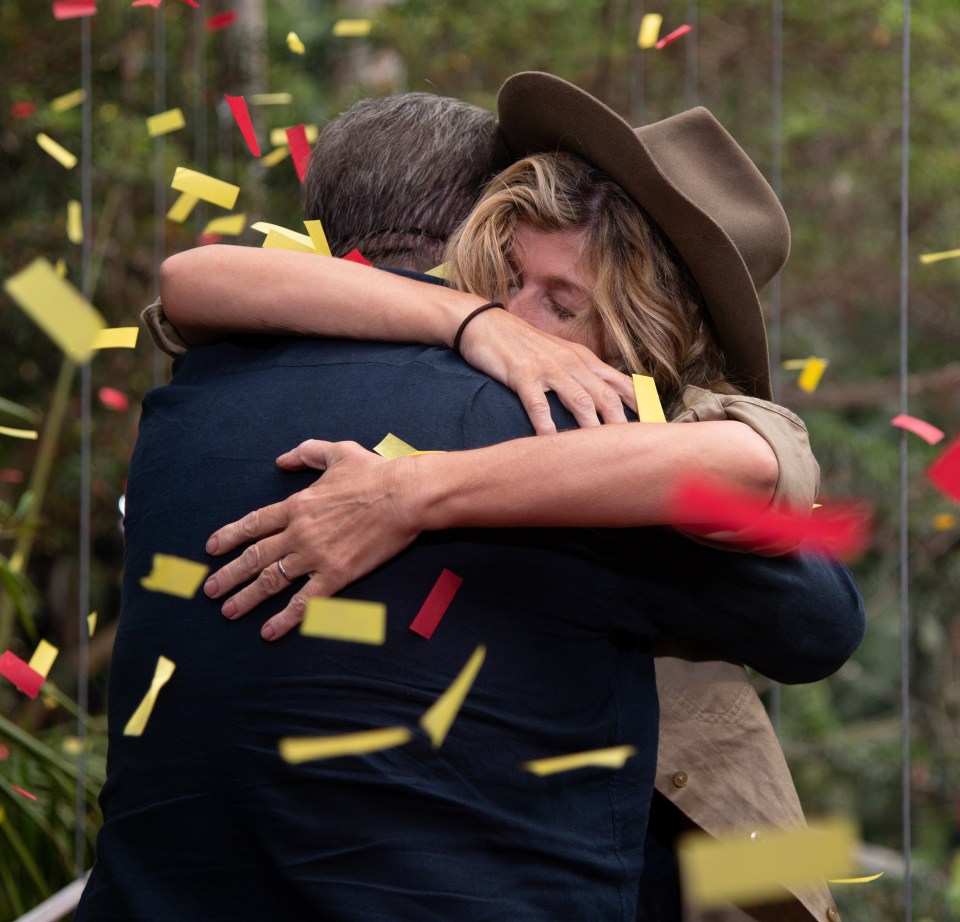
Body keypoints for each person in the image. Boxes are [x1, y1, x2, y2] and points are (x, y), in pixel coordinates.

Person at [106, 81, 862, 920]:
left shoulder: (184, 408)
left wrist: (415, 490)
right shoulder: (534, 406)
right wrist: (471, 331)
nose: (518, 317)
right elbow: (820, 620)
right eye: (510, 278)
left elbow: (770, 500)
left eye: (564, 302)